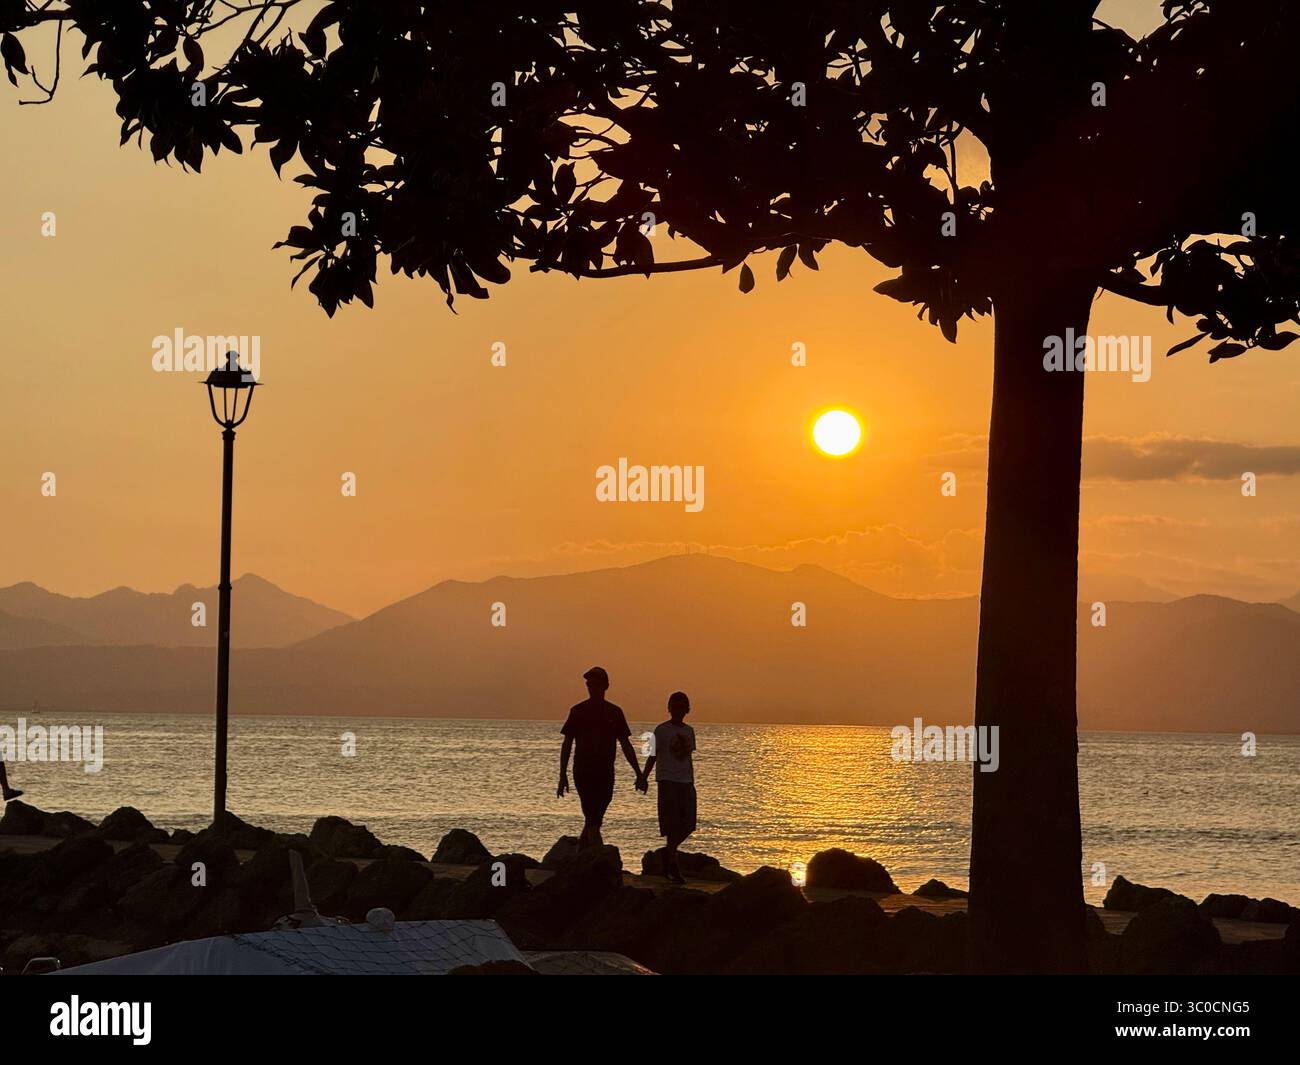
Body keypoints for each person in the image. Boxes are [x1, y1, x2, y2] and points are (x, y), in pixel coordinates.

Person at [557, 666, 644, 848]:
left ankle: (581, 855)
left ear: (606, 686)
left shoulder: (615, 712)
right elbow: (567, 743)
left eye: (597, 684)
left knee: (595, 818)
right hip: (583, 770)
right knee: (592, 816)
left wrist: (638, 772)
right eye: (589, 684)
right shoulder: (578, 711)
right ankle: (597, 858)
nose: (592, 688)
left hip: (605, 772)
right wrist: (562, 775)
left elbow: (625, 744)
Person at [639, 691, 696, 884]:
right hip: (667, 781)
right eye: (675, 705)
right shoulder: (660, 730)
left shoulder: (689, 731)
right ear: (669, 708)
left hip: (686, 782)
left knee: (689, 823)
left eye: (682, 706)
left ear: (687, 709)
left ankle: (668, 854)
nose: (678, 709)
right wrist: (643, 777)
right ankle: (673, 864)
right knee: (671, 825)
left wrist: (692, 782)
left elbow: (689, 759)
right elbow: (652, 756)